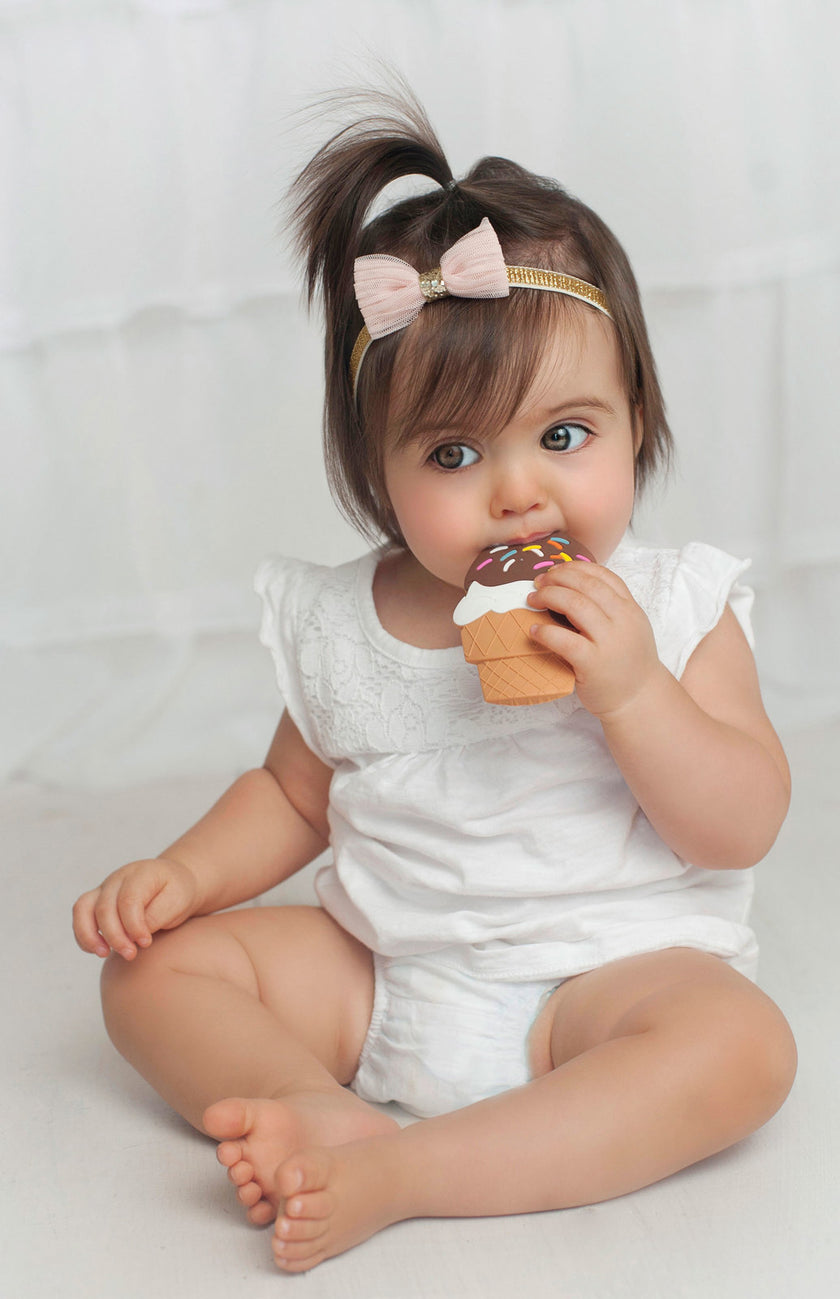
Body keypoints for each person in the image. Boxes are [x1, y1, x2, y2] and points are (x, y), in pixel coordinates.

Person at [72, 85, 797, 1273]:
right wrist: (180, 873)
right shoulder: (346, 621)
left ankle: (405, 1175)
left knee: (741, 1051)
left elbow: (739, 824)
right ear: (378, 471)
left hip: (603, 987)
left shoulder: (671, 611)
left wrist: (633, 693)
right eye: (456, 455)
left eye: (564, 436)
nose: (519, 493)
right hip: (380, 975)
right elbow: (294, 796)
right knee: (154, 975)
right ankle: (317, 1103)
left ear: (636, 422)